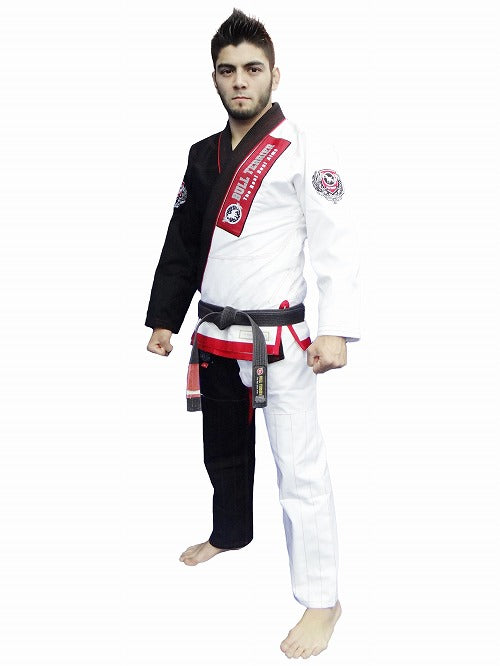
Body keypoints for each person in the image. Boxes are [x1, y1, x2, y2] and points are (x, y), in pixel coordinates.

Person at [145, 8, 361, 660]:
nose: (239, 80)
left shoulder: (304, 147)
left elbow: (335, 242)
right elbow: (183, 242)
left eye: (252, 68)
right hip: (215, 334)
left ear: (274, 74)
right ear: (214, 76)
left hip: (282, 344)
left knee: (300, 469)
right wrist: (165, 318)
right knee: (223, 450)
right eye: (227, 70)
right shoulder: (202, 154)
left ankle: (322, 599)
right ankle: (231, 533)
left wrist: (336, 330)